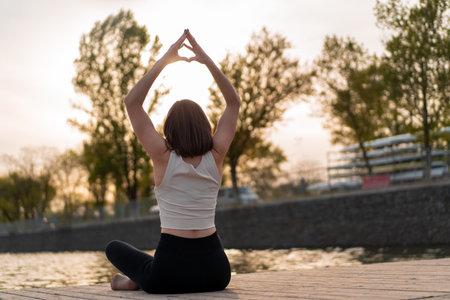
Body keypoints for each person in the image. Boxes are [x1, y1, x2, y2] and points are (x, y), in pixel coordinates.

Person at [105, 29, 240, 294]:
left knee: (114, 248)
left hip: (167, 275)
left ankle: (138, 278)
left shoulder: (163, 156)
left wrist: (165, 60)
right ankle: (139, 277)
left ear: (170, 130)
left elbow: (132, 103)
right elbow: (233, 103)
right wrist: (206, 60)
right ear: (206, 127)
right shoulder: (217, 154)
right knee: (154, 265)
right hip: (217, 273)